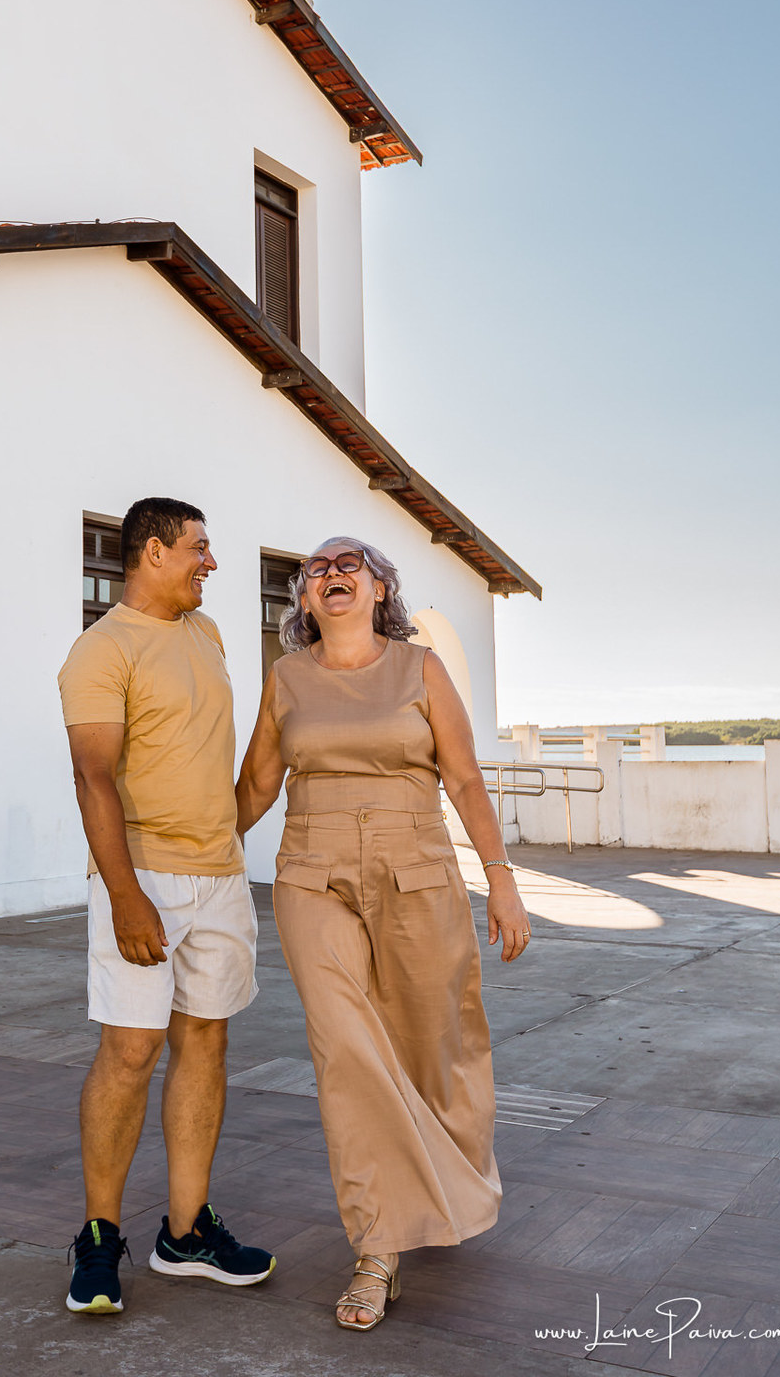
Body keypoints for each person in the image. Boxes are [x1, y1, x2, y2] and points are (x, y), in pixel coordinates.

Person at [235, 536, 531, 1332]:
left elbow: (463, 777)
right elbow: (258, 784)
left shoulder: (419, 668)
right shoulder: (287, 679)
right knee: (347, 1050)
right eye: (317, 570)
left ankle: (448, 1180)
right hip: (312, 874)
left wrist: (501, 877)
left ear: (378, 591)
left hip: (418, 869)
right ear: (303, 600)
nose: (331, 574)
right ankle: (377, 1245)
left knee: (439, 1044)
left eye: (348, 566)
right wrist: (181, 851)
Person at [57, 497, 274, 1314]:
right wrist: (124, 896)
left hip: (220, 876)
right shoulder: (100, 650)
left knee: (205, 1043)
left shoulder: (207, 635)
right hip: (143, 880)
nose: (210, 562)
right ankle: (100, 1237)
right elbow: (93, 778)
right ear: (152, 551)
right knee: (131, 1052)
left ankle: (185, 1232)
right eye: (199, 548)